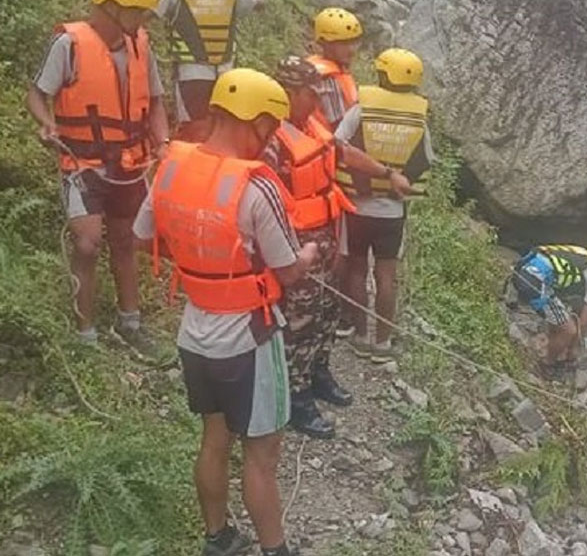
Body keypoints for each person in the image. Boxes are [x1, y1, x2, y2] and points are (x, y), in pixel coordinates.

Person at [136, 68, 315, 556]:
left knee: (214, 440)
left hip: (194, 331)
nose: (273, 137)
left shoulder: (171, 166)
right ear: (253, 121)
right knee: (262, 457)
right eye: (271, 127)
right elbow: (288, 270)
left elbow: (142, 233)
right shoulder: (258, 187)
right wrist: (310, 256)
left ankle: (218, 538)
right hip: (249, 339)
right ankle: (275, 549)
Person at [24, 0, 169, 361]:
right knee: (87, 245)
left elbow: (155, 102)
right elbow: (37, 94)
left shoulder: (141, 44)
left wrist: (164, 140)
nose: (141, 20)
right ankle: (84, 334)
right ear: (110, 7)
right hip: (83, 163)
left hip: (130, 164)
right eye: (136, 11)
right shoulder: (69, 44)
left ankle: (131, 322)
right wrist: (47, 123)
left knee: (126, 241)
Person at [265, 56, 409, 438]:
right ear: (290, 92)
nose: (317, 100)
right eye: (312, 93)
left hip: (327, 231)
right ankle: (294, 396)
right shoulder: (271, 138)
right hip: (297, 242)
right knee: (299, 320)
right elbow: (263, 203)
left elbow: (342, 152)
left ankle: (318, 372)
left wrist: (386, 173)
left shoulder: (311, 125)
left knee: (328, 311)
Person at [333, 48, 433, 357]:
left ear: (382, 75)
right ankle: (383, 342)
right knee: (387, 275)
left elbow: (338, 143)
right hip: (392, 210)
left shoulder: (363, 109)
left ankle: (361, 336)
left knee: (357, 270)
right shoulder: (419, 118)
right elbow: (426, 159)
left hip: (357, 206)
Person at [157, 0, 266, 143]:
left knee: (192, 134)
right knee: (222, 134)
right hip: (226, 75)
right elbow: (260, 4)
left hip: (191, 74)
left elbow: (148, 13)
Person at [509, 245, 587, 377]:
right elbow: (584, 322)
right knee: (569, 330)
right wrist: (573, 349)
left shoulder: (585, 261)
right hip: (535, 279)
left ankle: (553, 346)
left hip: (524, 268)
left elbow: (558, 306)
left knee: (561, 320)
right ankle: (547, 365)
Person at [307, 7, 361, 131]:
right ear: (323, 42)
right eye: (343, 43)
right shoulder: (328, 79)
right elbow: (340, 129)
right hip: (328, 145)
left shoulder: (323, 66)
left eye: (353, 42)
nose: (351, 50)